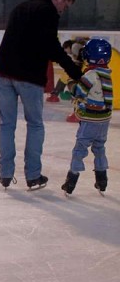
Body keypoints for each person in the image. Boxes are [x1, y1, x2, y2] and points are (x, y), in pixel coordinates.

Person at [0, 0, 83, 190]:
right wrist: (75, 72)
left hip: (3, 73)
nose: (62, 11)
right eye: (64, 6)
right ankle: (32, 176)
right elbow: (52, 48)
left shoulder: (20, 7)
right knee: (35, 124)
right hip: (28, 76)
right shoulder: (47, 11)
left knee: (6, 124)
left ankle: (5, 174)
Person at [61, 38, 113, 195]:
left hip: (91, 120)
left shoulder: (91, 74)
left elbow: (79, 92)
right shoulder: (106, 73)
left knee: (80, 149)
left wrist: (70, 83)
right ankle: (102, 180)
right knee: (99, 148)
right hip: (104, 120)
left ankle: (71, 181)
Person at [47, 38, 85, 102]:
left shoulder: (74, 46)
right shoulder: (77, 46)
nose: (65, 51)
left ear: (68, 47)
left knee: (65, 76)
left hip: (82, 68)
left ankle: (55, 94)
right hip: (84, 68)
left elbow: (78, 61)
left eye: (65, 49)